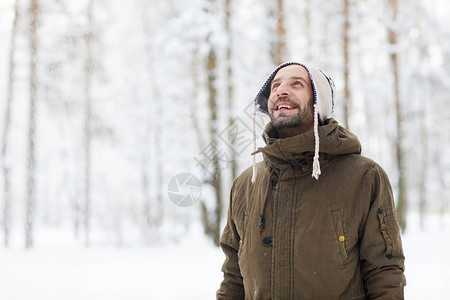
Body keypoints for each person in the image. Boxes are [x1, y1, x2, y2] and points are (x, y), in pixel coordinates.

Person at [216, 62, 406, 299]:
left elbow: (385, 273)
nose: (281, 90)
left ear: (319, 103)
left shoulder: (364, 177)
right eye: (276, 85)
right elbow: (233, 278)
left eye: (297, 83)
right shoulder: (247, 184)